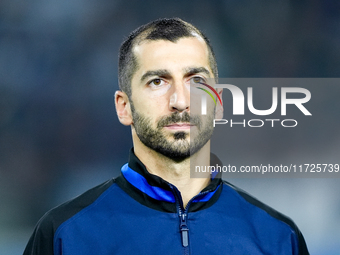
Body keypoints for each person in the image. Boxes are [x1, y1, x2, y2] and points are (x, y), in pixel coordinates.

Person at [24, 18, 309, 255]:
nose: (180, 101)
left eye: (196, 80)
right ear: (124, 108)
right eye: (157, 81)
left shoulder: (278, 238)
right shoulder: (64, 235)